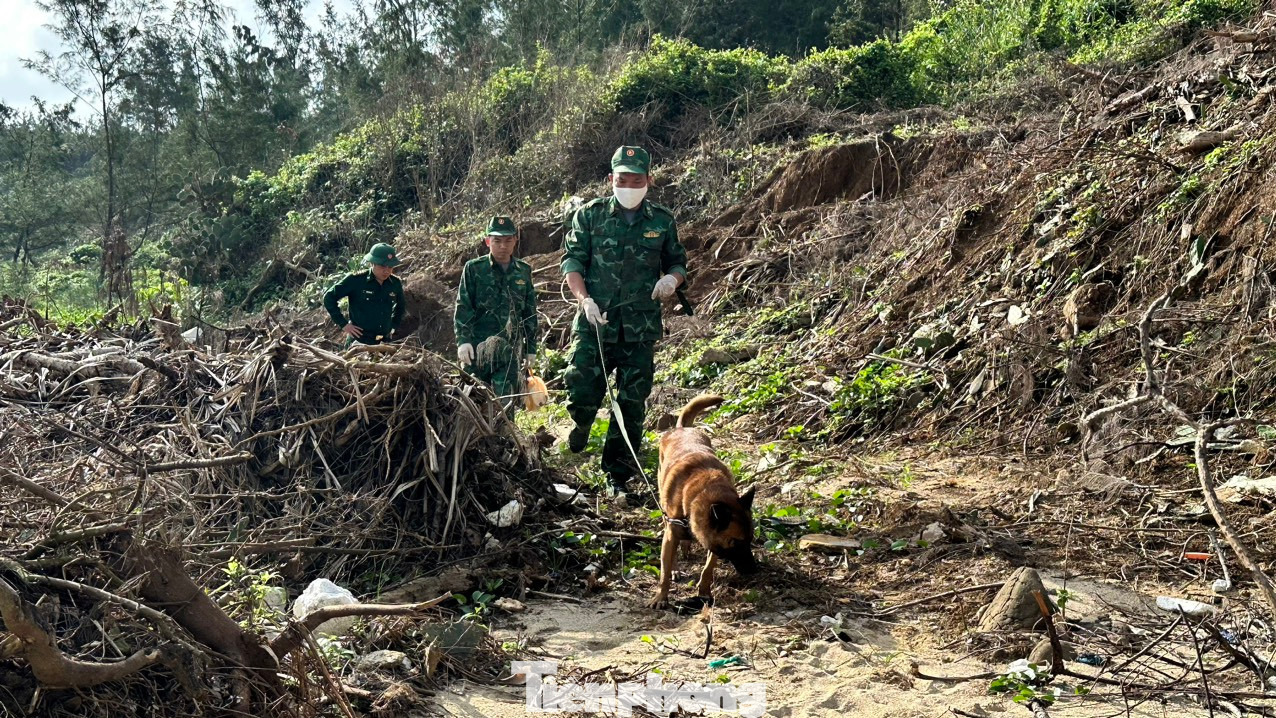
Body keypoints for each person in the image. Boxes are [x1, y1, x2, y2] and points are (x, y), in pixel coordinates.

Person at [561, 146, 689, 490]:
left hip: (639, 328)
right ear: (610, 180)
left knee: (631, 404)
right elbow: (573, 263)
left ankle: (617, 473)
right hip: (595, 324)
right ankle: (582, 422)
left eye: (636, 179)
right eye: (622, 179)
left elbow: (678, 262)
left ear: (649, 180)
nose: (629, 185)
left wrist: (670, 280)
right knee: (582, 389)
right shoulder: (590, 216)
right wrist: (584, 300)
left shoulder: (662, 221)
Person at [454, 216, 538, 418]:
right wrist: (463, 341)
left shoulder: (523, 271)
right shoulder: (474, 269)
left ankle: (505, 446)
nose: (503, 246)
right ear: (487, 241)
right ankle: (472, 446)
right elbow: (463, 305)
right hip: (478, 350)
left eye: (508, 240)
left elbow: (529, 312)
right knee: (472, 403)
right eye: (497, 241)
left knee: (506, 407)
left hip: (509, 352)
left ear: (515, 241)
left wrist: (530, 349)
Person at [323, 242, 406, 346]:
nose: (386, 271)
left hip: (383, 341)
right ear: (372, 263)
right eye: (382, 266)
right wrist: (343, 324)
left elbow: (401, 306)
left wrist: (394, 325)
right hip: (359, 341)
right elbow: (329, 297)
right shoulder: (356, 280)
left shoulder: (395, 283)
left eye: (390, 267)